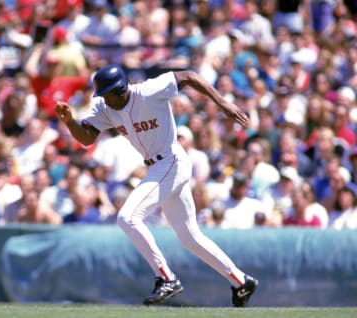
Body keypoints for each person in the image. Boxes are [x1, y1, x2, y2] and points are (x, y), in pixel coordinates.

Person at [54, 64, 258, 307]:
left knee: (127, 217)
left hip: (172, 159)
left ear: (121, 89)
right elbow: (87, 137)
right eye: (102, 94)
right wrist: (69, 122)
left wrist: (222, 103)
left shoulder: (148, 91)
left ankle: (166, 277)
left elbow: (190, 76)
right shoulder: (105, 107)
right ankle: (241, 281)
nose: (104, 98)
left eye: (108, 93)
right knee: (189, 237)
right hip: (158, 166)